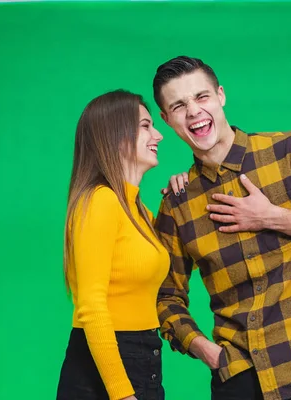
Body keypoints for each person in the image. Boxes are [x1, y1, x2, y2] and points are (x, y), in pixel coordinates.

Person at [152, 56, 291, 400]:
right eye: (179, 105)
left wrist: (274, 217)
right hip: (240, 378)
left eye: (202, 97)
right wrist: (205, 350)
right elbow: (164, 296)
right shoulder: (178, 203)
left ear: (220, 95)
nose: (194, 112)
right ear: (167, 119)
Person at [56, 90, 169, 400]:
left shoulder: (143, 213)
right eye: (146, 126)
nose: (158, 135)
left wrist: (185, 194)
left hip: (144, 354)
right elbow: (91, 305)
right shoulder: (100, 201)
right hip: (106, 362)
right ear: (116, 135)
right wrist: (122, 394)